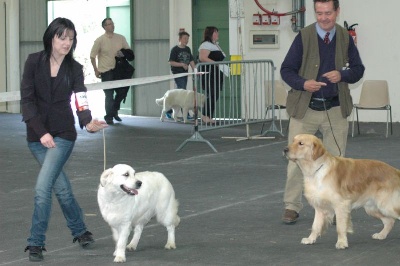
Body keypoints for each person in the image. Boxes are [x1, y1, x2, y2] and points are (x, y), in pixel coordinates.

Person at [20, 17, 107, 262]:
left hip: (63, 136)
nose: (67, 42)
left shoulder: (75, 68)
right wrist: (41, 132)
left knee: (42, 189)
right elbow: (26, 102)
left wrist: (88, 122)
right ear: (51, 37)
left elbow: (81, 99)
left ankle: (35, 243)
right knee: (62, 189)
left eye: (71, 38)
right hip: (37, 138)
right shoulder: (33, 62)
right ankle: (81, 231)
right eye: (62, 37)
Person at [280, 0, 365, 224]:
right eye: (319, 13)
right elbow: (286, 69)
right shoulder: (304, 36)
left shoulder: (345, 37)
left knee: (337, 164)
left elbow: (358, 70)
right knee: (296, 160)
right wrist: (303, 83)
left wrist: (342, 75)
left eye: (328, 13)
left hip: (336, 108)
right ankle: (291, 206)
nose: (324, 18)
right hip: (305, 109)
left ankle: (335, 206)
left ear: (337, 12)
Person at [90, 18, 134, 125]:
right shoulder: (99, 40)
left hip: (119, 70)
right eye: (109, 24)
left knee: (122, 92)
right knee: (109, 95)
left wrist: (123, 54)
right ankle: (109, 116)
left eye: (113, 23)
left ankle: (114, 111)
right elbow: (92, 56)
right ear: (104, 27)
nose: (112, 25)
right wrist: (96, 70)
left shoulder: (121, 38)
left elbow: (129, 52)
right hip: (106, 71)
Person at [198, 26, 226, 124]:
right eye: (215, 32)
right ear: (210, 34)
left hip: (216, 73)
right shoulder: (206, 44)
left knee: (215, 95)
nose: (217, 34)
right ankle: (206, 116)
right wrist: (216, 63)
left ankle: (209, 116)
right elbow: (202, 57)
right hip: (210, 73)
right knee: (212, 95)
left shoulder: (214, 45)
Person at [167, 31, 196, 119]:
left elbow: (191, 60)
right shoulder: (175, 49)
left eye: (187, 39)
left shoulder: (187, 49)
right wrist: (182, 65)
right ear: (179, 39)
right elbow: (171, 62)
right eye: (184, 38)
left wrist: (195, 70)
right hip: (177, 73)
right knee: (183, 92)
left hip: (185, 73)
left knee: (178, 92)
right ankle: (185, 113)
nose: (186, 40)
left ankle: (168, 110)